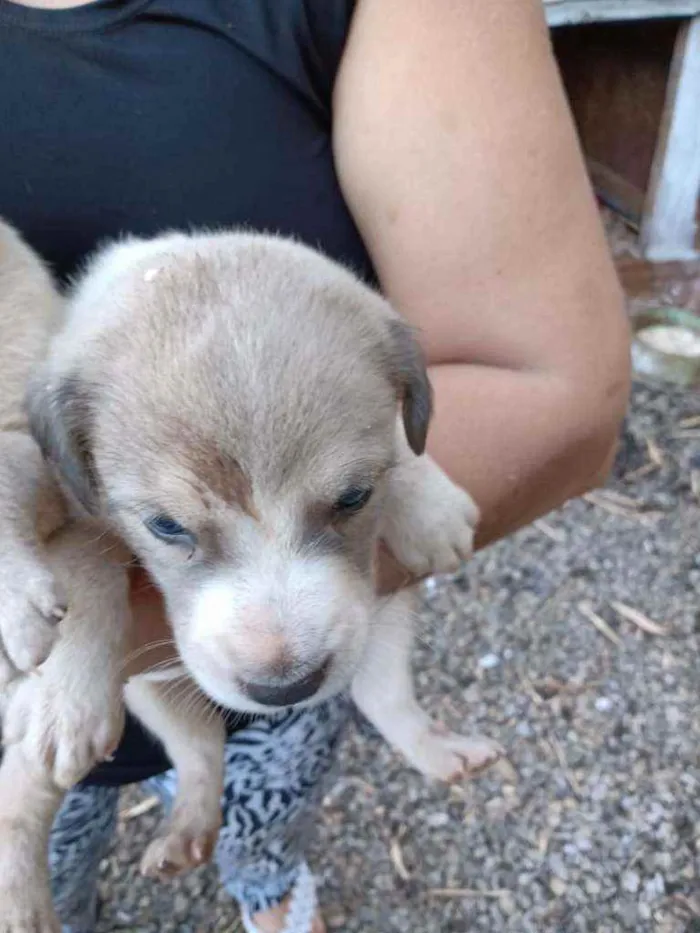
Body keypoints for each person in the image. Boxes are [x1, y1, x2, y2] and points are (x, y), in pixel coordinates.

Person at [0, 1, 631, 931]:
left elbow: (555, 391)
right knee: (55, 842)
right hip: (53, 692)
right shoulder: (70, 396)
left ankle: (267, 882)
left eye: (347, 497)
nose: (280, 644)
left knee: (275, 779)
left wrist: (401, 477)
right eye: (172, 523)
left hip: (177, 681)